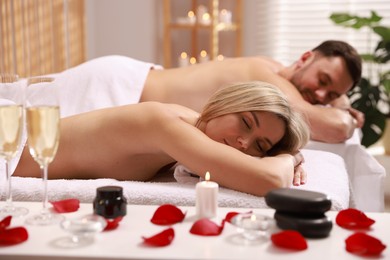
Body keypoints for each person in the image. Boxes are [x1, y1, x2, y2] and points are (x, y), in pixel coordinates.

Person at [22, 40, 363, 144]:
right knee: (22, 124)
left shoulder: (272, 69)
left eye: (331, 94)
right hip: (119, 87)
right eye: (323, 80)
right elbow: (332, 128)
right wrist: (346, 114)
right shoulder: (266, 77)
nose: (321, 96)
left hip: (129, 82)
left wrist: (338, 100)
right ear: (305, 58)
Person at [14, 81, 310, 197]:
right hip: (9, 145)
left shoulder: (191, 133)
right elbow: (269, 181)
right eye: (246, 123)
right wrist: (289, 156)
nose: (244, 143)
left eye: (260, 145)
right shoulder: (168, 124)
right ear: (225, 103)